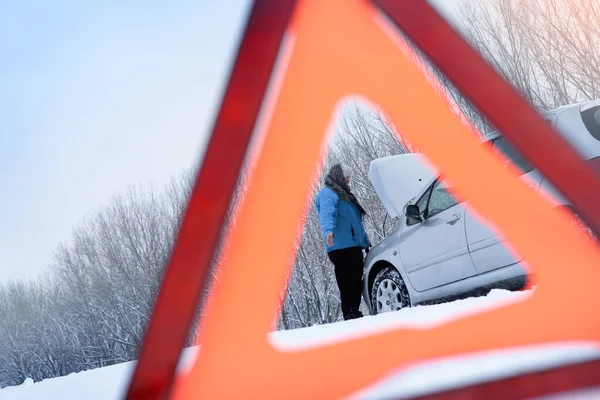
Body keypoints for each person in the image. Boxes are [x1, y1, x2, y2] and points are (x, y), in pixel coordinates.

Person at [315, 163, 371, 320]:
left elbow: (355, 222)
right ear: (338, 176)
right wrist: (329, 232)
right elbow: (327, 214)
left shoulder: (345, 195)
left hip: (352, 244)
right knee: (347, 280)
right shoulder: (328, 193)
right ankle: (350, 312)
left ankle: (354, 310)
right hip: (339, 246)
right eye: (346, 176)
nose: (348, 179)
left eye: (349, 177)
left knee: (355, 278)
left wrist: (365, 240)